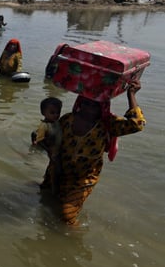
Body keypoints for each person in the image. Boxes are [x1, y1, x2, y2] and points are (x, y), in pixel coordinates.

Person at [56, 79, 145, 226]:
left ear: (102, 108)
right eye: (86, 103)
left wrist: (131, 94)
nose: (88, 108)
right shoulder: (67, 119)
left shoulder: (107, 125)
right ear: (80, 103)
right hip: (59, 170)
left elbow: (137, 124)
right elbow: (52, 140)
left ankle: (74, 239)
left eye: (94, 105)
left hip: (84, 179)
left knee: (67, 216)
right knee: (46, 199)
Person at [31, 97, 63, 195]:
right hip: (52, 152)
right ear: (43, 113)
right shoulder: (44, 125)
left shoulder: (56, 122)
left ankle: (48, 185)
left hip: (57, 150)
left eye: (58, 112)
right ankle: (54, 191)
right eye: (52, 113)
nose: (56, 115)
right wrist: (48, 150)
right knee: (57, 172)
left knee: (55, 170)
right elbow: (39, 141)